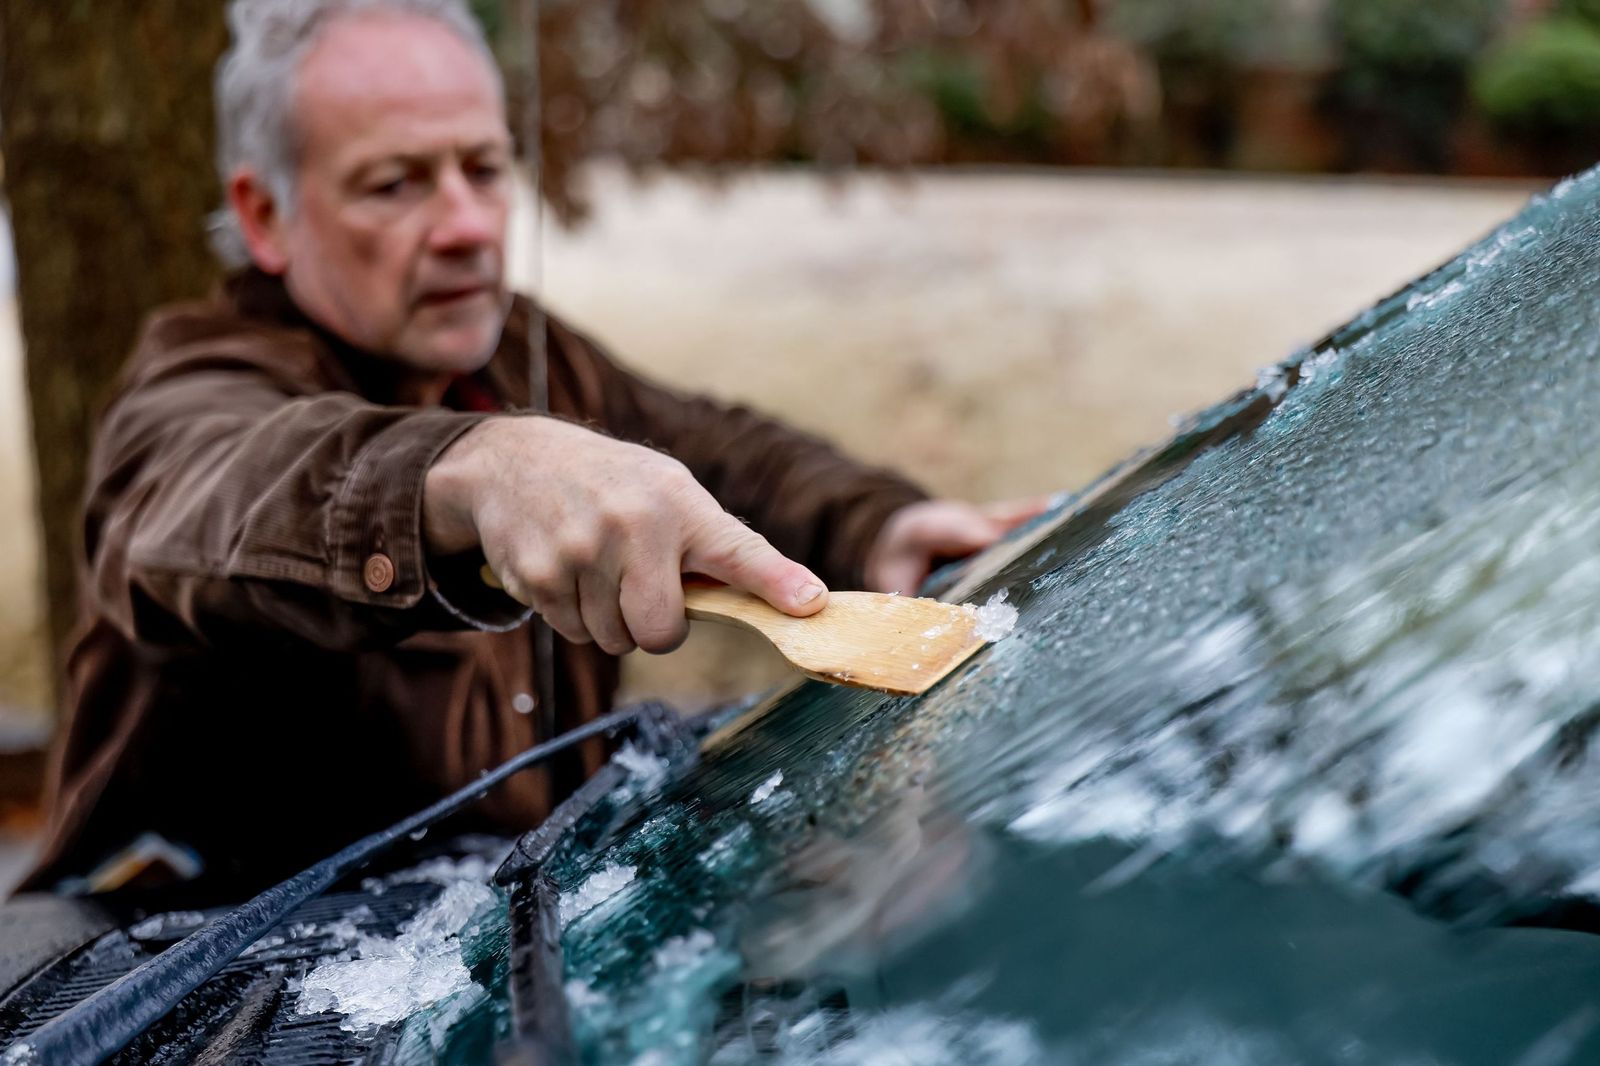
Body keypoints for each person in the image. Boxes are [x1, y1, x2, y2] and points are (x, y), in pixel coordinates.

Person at [23, 0, 1034, 898]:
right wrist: (479, 473)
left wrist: (876, 523)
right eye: (393, 184)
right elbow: (203, 493)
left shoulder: (521, 352)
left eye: (484, 167)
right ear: (264, 215)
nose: (466, 225)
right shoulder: (190, 384)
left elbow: (724, 456)